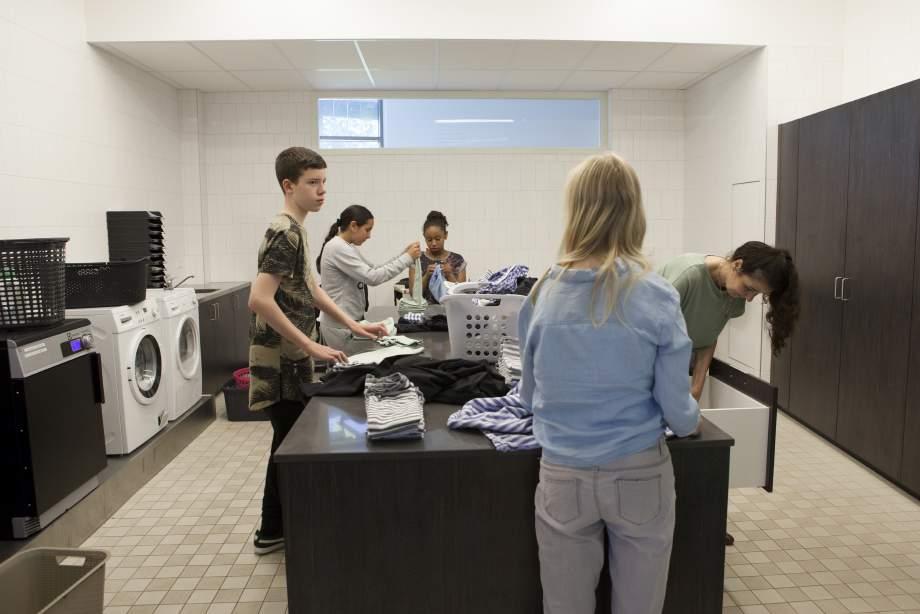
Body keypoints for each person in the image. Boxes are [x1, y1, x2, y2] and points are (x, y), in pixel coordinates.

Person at [518, 152, 700, 614]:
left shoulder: (542, 292)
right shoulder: (656, 293)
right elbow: (678, 411)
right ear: (633, 210)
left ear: (575, 211)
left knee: (565, 606)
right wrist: (691, 419)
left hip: (562, 473)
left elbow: (528, 397)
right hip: (639, 470)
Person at [247, 147, 388, 555]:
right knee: (288, 443)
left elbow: (311, 289)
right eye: (313, 182)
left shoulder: (300, 229)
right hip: (279, 357)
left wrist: (354, 324)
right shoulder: (284, 231)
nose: (322, 190)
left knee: (287, 441)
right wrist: (311, 344)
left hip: (294, 354)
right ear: (289, 186)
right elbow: (259, 298)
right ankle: (273, 529)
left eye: (324, 181)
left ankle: (273, 529)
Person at [658, 242, 800, 401]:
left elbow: (708, 337)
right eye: (749, 288)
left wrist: (697, 390)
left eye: (758, 294)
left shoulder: (734, 294)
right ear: (737, 265)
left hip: (682, 356)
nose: (749, 298)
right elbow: (647, 335)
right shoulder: (687, 277)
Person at [316, 204, 421, 351]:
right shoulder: (337, 247)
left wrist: (404, 254)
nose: (369, 235)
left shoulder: (347, 247)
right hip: (339, 327)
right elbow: (373, 278)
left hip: (346, 323)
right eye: (367, 229)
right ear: (353, 226)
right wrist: (406, 258)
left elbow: (374, 268)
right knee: (348, 369)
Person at [407, 210, 466, 303]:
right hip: (425, 314)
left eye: (438, 239)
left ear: (445, 235)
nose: (433, 243)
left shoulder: (458, 260)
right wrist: (426, 276)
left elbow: (462, 296)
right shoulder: (417, 260)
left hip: (450, 313)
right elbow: (413, 294)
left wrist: (450, 275)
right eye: (429, 240)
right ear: (424, 237)